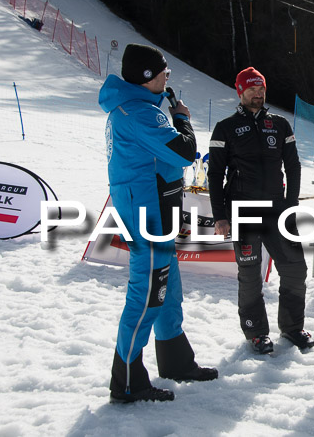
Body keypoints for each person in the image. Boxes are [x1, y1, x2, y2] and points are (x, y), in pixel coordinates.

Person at [99, 43, 218, 404]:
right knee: (148, 296)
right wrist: (182, 117)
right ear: (148, 77)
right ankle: (127, 380)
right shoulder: (139, 114)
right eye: (164, 71)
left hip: (156, 213)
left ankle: (176, 361)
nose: (169, 76)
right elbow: (184, 152)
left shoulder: (140, 108)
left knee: (168, 293)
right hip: (147, 218)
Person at [208, 67, 313, 354]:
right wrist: (220, 216)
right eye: (252, 88)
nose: (258, 93)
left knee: (295, 268)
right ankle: (256, 332)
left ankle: (292, 328)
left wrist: (291, 205)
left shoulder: (280, 125)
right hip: (244, 210)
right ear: (240, 91)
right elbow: (215, 174)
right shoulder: (225, 127)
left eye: (261, 88)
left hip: (278, 210)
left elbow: (292, 166)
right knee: (250, 273)